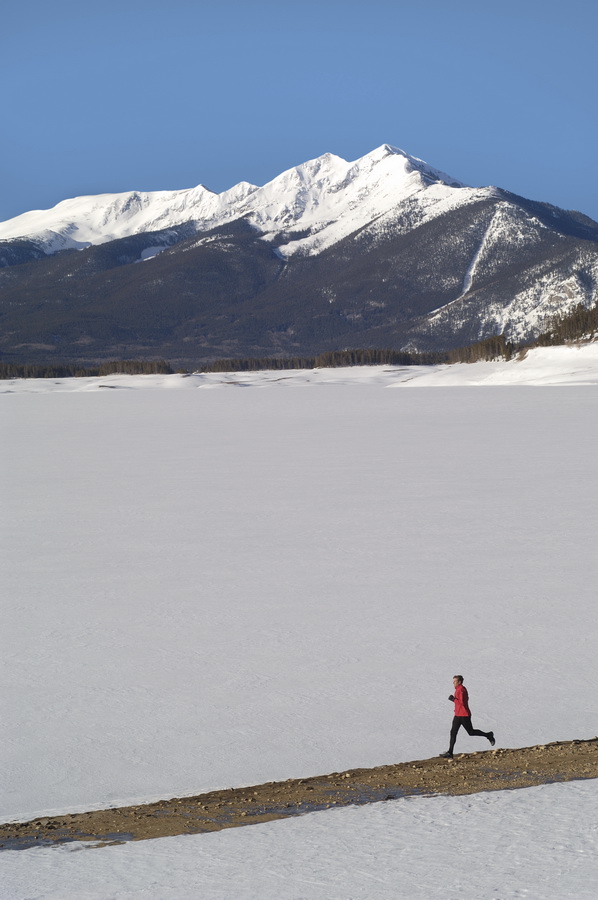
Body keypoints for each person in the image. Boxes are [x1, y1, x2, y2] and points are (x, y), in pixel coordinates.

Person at [439, 675, 495, 758]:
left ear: (459, 682)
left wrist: (453, 699)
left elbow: (462, 703)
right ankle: (450, 752)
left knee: (471, 732)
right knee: (453, 732)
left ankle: (488, 735)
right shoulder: (459, 689)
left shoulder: (461, 690)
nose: (453, 683)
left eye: (455, 681)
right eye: (453, 681)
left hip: (464, 715)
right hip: (458, 715)